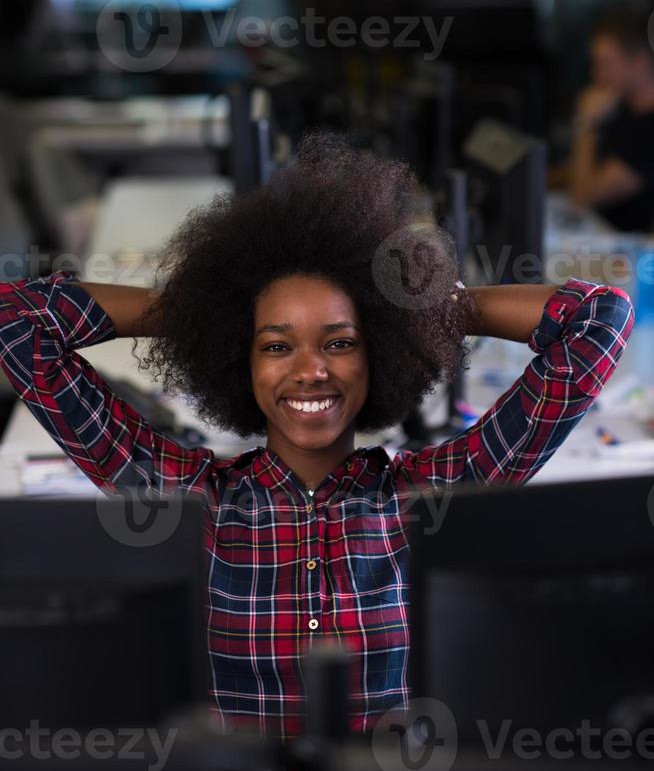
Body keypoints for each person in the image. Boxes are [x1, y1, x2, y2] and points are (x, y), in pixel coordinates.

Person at [0, 132, 634, 739]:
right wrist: (192, 314)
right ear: (237, 359)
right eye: (276, 345)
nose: (310, 369)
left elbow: (598, 318)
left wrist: (431, 310)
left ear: (381, 353)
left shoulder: (437, 496)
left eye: (340, 342)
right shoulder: (182, 497)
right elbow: (17, 321)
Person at [569, 13, 654, 232]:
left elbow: (584, 195)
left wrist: (586, 123)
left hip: (631, 258)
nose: (595, 74)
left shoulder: (648, 129)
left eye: (604, 64)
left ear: (640, 62)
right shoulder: (623, 110)